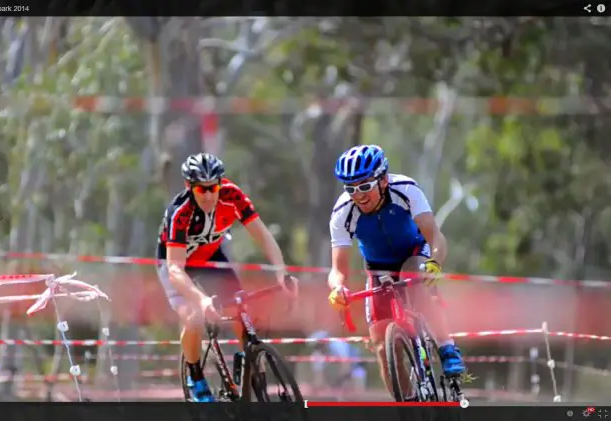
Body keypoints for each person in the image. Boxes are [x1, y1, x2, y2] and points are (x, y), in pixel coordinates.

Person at [326, 144, 466, 400]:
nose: (358, 195)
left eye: (365, 185)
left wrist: (434, 262)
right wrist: (337, 288)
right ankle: (409, 404)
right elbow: (338, 269)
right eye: (350, 188)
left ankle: (447, 347)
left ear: (383, 180)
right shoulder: (342, 211)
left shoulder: (406, 189)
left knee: (412, 274)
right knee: (381, 347)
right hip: (378, 268)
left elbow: (434, 235)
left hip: (414, 253)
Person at [156, 152, 296, 402]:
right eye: (202, 189)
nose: (209, 195)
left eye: (214, 187)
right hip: (178, 264)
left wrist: (281, 273)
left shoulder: (233, 196)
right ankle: (195, 375)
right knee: (194, 317)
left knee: (243, 311)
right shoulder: (180, 212)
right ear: (189, 186)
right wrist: (201, 301)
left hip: (211, 258)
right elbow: (175, 270)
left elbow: (263, 236)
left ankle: (246, 366)